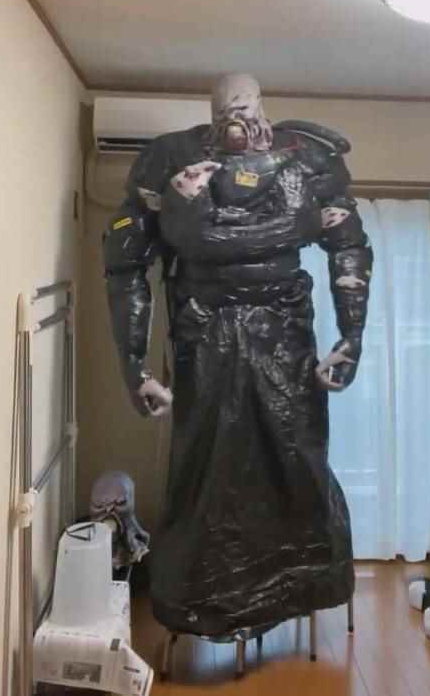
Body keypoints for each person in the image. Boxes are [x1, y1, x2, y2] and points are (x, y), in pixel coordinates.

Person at [103, 73, 373, 637]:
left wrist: (352, 335)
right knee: (207, 464)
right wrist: (134, 365)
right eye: (227, 112)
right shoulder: (169, 159)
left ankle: (304, 584)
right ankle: (198, 601)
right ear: (211, 112)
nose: (238, 125)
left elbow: (349, 244)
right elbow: (126, 261)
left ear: (264, 108)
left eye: (246, 111)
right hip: (204, 329)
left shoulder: (307, 159)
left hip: (285, 330)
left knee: (294, 453)